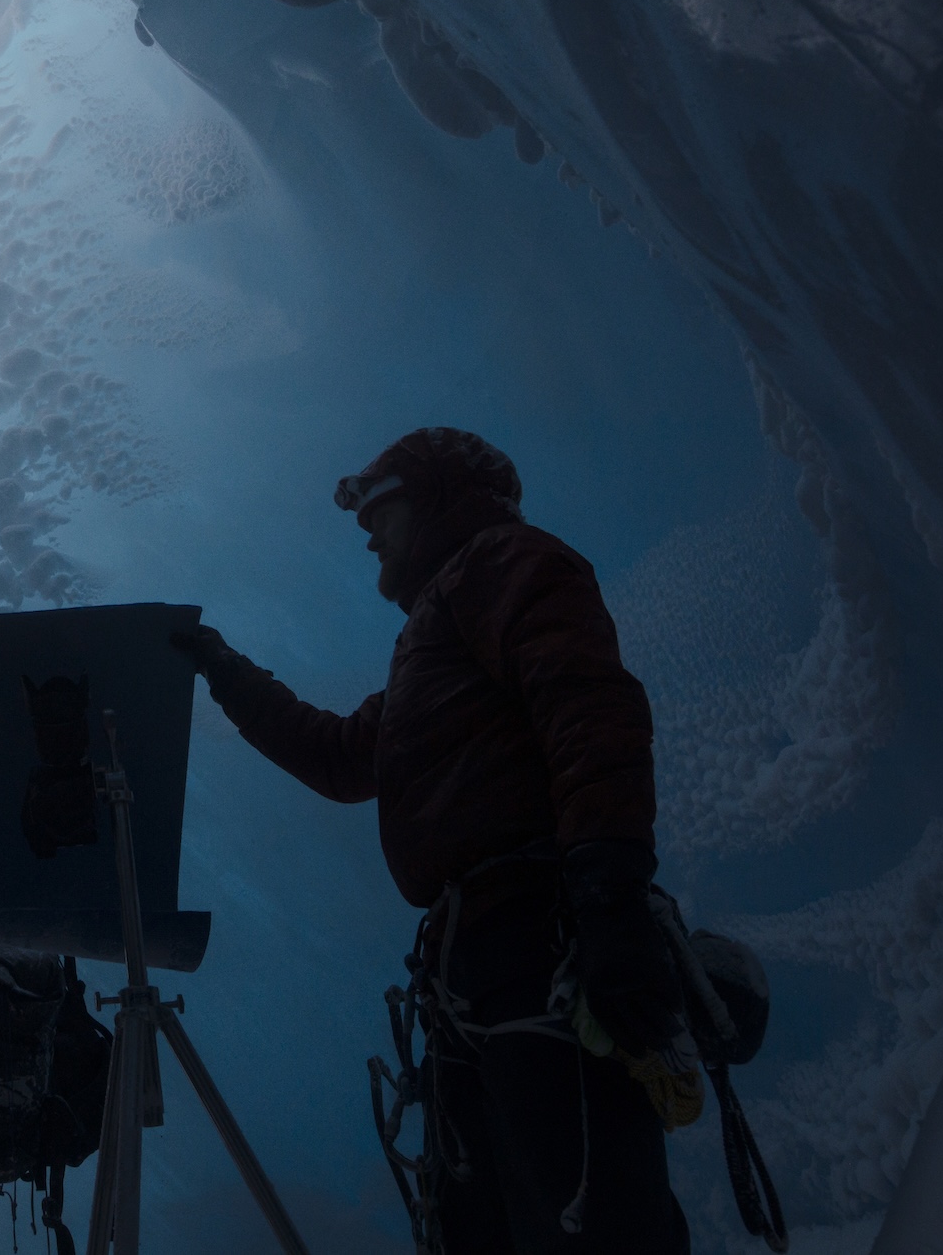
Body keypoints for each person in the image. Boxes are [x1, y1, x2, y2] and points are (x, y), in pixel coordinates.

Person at [176, 429, 691, 1254]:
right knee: (494, 1220)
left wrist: (610, 889)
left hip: (538, 940)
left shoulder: (506, 565)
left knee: (579, 1213)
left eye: (381, 509)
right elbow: (343, 757)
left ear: (440, 498)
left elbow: (588, 707)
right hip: (477, 965)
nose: (367, 532)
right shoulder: (432, 637)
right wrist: (226, 671)